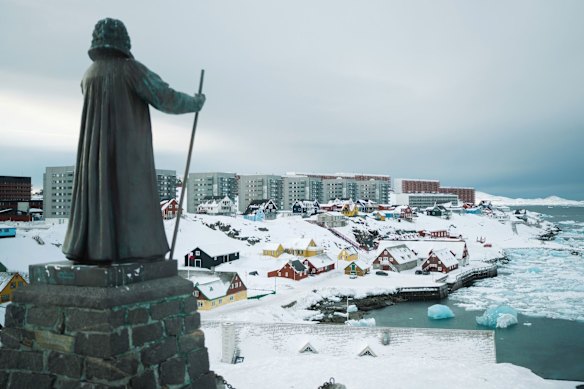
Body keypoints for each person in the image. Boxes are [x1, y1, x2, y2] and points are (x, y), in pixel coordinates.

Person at [62, 18, 205, 264]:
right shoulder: (130, 69)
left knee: (100, 194)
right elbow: (165, 97)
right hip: (127, 151)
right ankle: (136, 249)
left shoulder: (89, 75)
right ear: (123, 42)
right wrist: (195, 103)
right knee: (131, 196)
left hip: (94, 155)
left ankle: (93, 248)